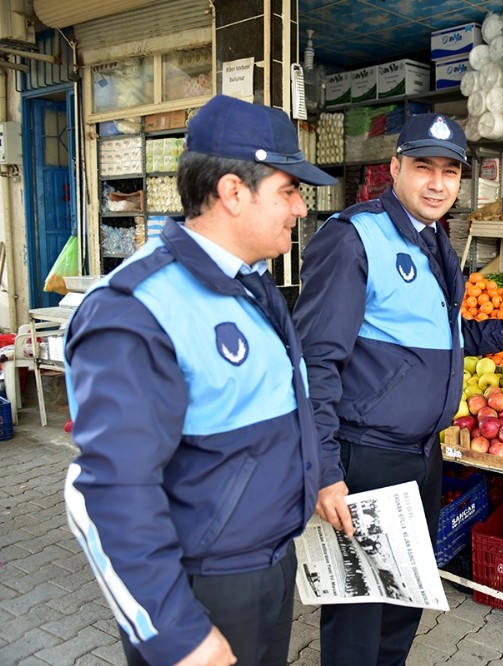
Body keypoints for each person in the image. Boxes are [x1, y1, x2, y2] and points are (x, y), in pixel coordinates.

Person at [63, 94, 337, 666]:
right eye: (289, 190)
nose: (300, 209)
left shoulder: (252, 285)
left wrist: (319, 478)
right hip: (202, 591)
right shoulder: (137, 308)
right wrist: (175, 632)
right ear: (233, 191)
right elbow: (103, 494)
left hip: (268, 567)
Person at [293, 112, 503, 666]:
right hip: (367, 457)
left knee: (402, 598)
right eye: (423, 167)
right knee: (359, 611)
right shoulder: (354, 237)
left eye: (449, 172)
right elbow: (315, 361)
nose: (437, 183)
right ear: (394, 168)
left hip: (422, 455)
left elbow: (439, 335)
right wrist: (325, 469)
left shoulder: (435, 240)